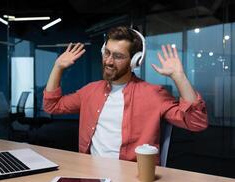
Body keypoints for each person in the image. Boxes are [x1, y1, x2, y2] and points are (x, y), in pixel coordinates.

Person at [43, 26, 208, 163]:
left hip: (132, 178)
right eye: (107, 53)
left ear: (135, 60)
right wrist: (58, 67)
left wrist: (179, 77)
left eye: (118, 56)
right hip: (91, 173)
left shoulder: (153, 94)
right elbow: (52, 106)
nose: (108, 61)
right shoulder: (90, 91)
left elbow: (196, 122)